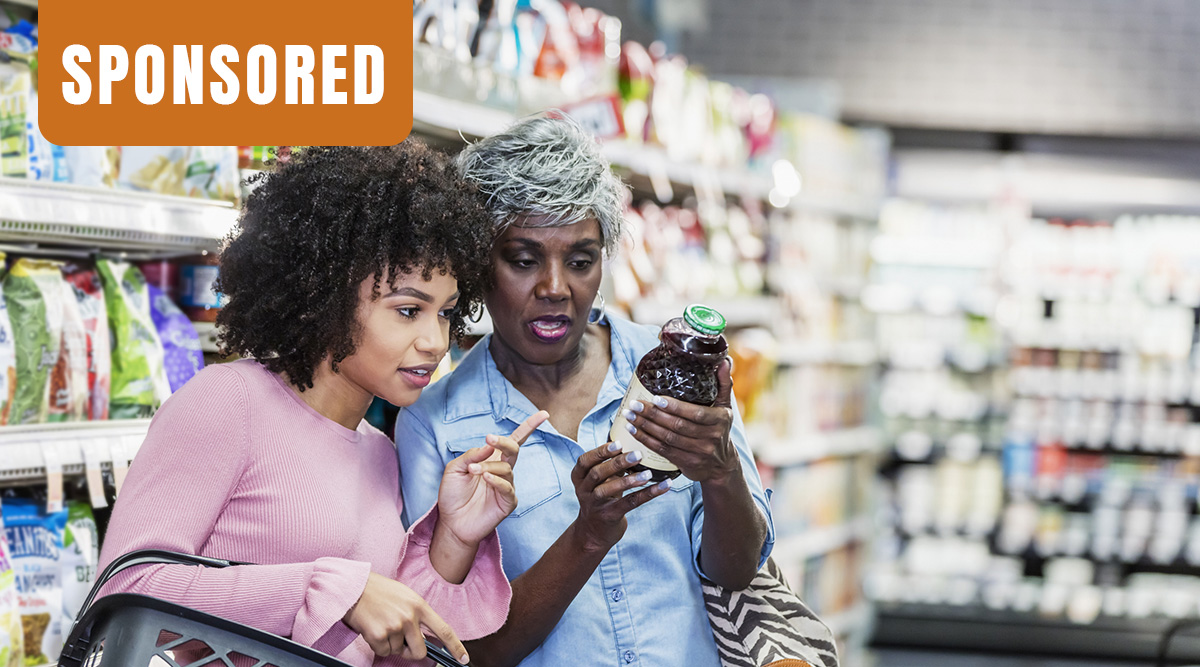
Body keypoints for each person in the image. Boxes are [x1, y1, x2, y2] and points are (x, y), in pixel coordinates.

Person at [97, 143, 541, 667]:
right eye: (406, 310)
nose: (435, 341)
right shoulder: (227, 402)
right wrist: (334, 590)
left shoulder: (378, 452)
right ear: (323, 295)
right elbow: (126, 590)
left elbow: (396, 647)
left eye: (445, 313)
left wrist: (455, 537)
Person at [396, 115, 775, 667]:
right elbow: (459, 652)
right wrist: (589, 535)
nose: (555, 288)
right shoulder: (437, 426)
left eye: (580, 260)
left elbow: (736, 571)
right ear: (477, 264)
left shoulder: (679, 375)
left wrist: (721, 474)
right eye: (523, 260)